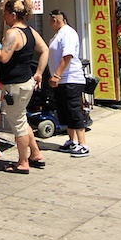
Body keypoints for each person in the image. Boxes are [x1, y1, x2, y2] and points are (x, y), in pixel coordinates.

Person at [0, 0, 49, 174]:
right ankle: (36, 153)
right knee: (22, 120)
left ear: (13, 14)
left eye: (5, 14)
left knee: (18, 125)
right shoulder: (30, 31)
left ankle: (23, 162)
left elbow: (3, 57)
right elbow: (45, 49)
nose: (4, 18)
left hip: (15, 85)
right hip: (26, 82)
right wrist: (38, 73)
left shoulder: (13, 34)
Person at [46, 10, 89, 158]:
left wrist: (57, 75)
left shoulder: (68, 33)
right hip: (62, 81)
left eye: (50, 20)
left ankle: (83, 144)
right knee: (65, 112)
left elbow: (68, 55)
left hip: (71, 79)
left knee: (74, 111)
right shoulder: (58, 35)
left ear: (55, 20)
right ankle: (72, 141)